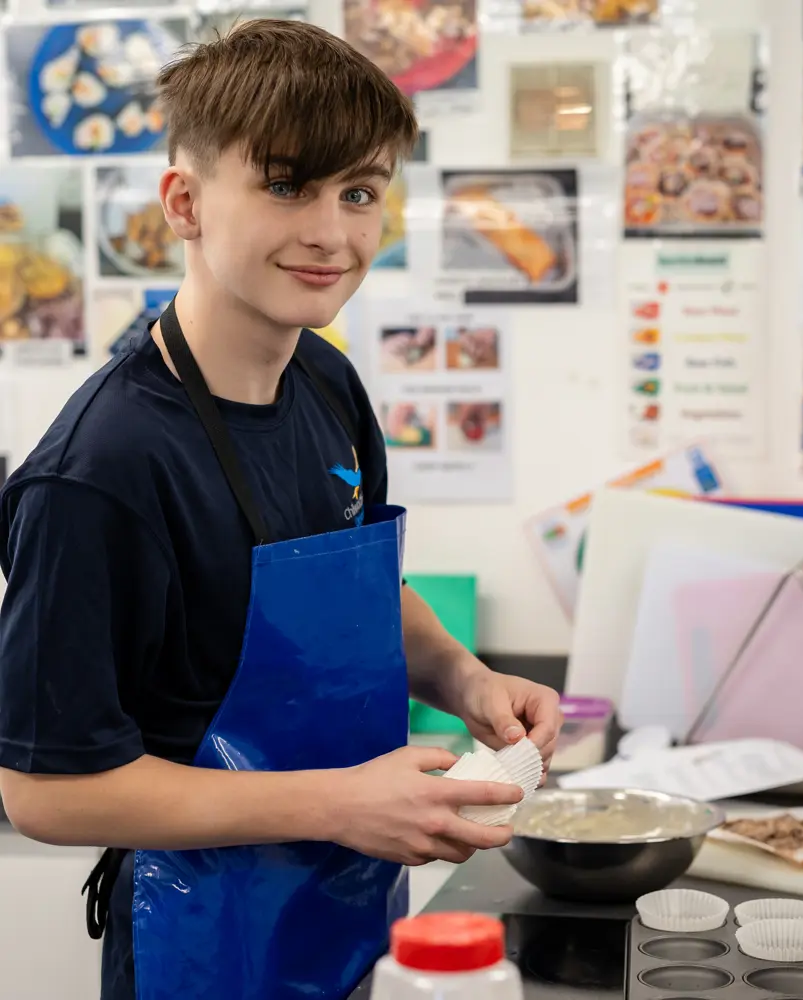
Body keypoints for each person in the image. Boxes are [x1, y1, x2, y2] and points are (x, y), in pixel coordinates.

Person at [0, 21, 563, 1000]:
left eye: (358, 192)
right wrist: (339, 803)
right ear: (183, 202)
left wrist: (464, 676)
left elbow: (354, 591)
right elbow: (44, 790)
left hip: (349, 906)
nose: (332, 232)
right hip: (200, 939)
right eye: (285, 184)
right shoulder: (102, 470)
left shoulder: (326, 382)